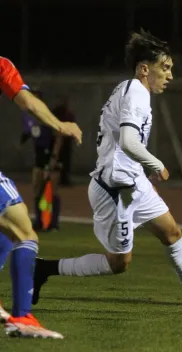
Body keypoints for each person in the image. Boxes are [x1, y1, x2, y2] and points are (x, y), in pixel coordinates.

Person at [32, 30, 182, 315]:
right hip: (115, 190)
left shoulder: (131, 90)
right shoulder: (136, 92)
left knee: (172, 233)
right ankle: (43, 269)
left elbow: (122, 143)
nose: (170, 75)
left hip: (130, 181)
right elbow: (128, 142)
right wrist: (157, 165)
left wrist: (142, 173)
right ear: (144, 69)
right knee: (119, 263)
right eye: (164, 68)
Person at [0, 56, 82, 338]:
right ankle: (22, 318)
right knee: (25, 233)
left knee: (7, 228)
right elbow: (28, 103)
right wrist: (61, 125)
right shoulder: (1, 66)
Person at [20, 89, 64, 231]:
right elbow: (31, 134)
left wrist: (54, 158)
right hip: (39, 159)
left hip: (51, 159)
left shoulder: (47, 116)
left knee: (52, 191)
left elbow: (59, 137)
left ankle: (53, 223)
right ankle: (39, 221)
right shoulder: (31, 119)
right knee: (37, 190)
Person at [52, 95, 76, 186]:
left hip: (66, 139)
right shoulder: (58, 112)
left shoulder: (66, 114)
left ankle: (63, 179)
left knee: (64, 160)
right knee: (60, 160)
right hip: (60, 138)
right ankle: (59, 179)